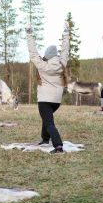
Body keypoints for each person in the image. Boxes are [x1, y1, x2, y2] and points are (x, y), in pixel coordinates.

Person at [26, 22, 70, 154]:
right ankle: (45, 139)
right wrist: (66, 33)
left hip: (45, 100)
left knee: (49, 123)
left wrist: (29, 33)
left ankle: (58, 146)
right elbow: (65, 50)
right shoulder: (62, 63)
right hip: (56, 101)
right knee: (47, 118)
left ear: (47, 55)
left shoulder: (42, 65)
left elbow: (33, 52)